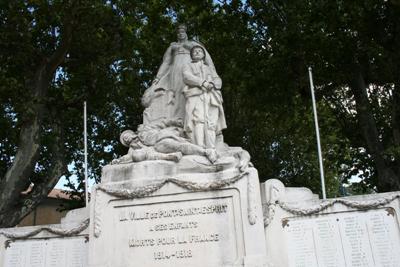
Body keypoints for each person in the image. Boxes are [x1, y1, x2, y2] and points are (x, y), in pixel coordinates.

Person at [142, 24, 216, 122]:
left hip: (191, 70)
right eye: (179, 32)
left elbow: (206, 57)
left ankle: (188, 118)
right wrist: (158, 77)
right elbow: (166, 63)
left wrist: (213, 73)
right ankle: (175, 118)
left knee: (186, 91)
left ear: (186, 33)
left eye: (183, 32)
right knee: (175, 92)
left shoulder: (193, 44)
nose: (181, 34)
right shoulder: (173, 47)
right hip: (175, 71)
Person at [182, 46, 227, 149]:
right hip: (196, 94)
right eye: (195, 51)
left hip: (211, 96)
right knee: (199, 120)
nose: (197, 53)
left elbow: (217, 79)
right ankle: (200, 146)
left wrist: (213, 83)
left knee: (212, 122)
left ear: (203, 55)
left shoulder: (209, 68)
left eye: (200, 51)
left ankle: (211, 147)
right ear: (192, 55)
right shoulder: (188, 66)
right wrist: (202, 82)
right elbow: (186, 76)